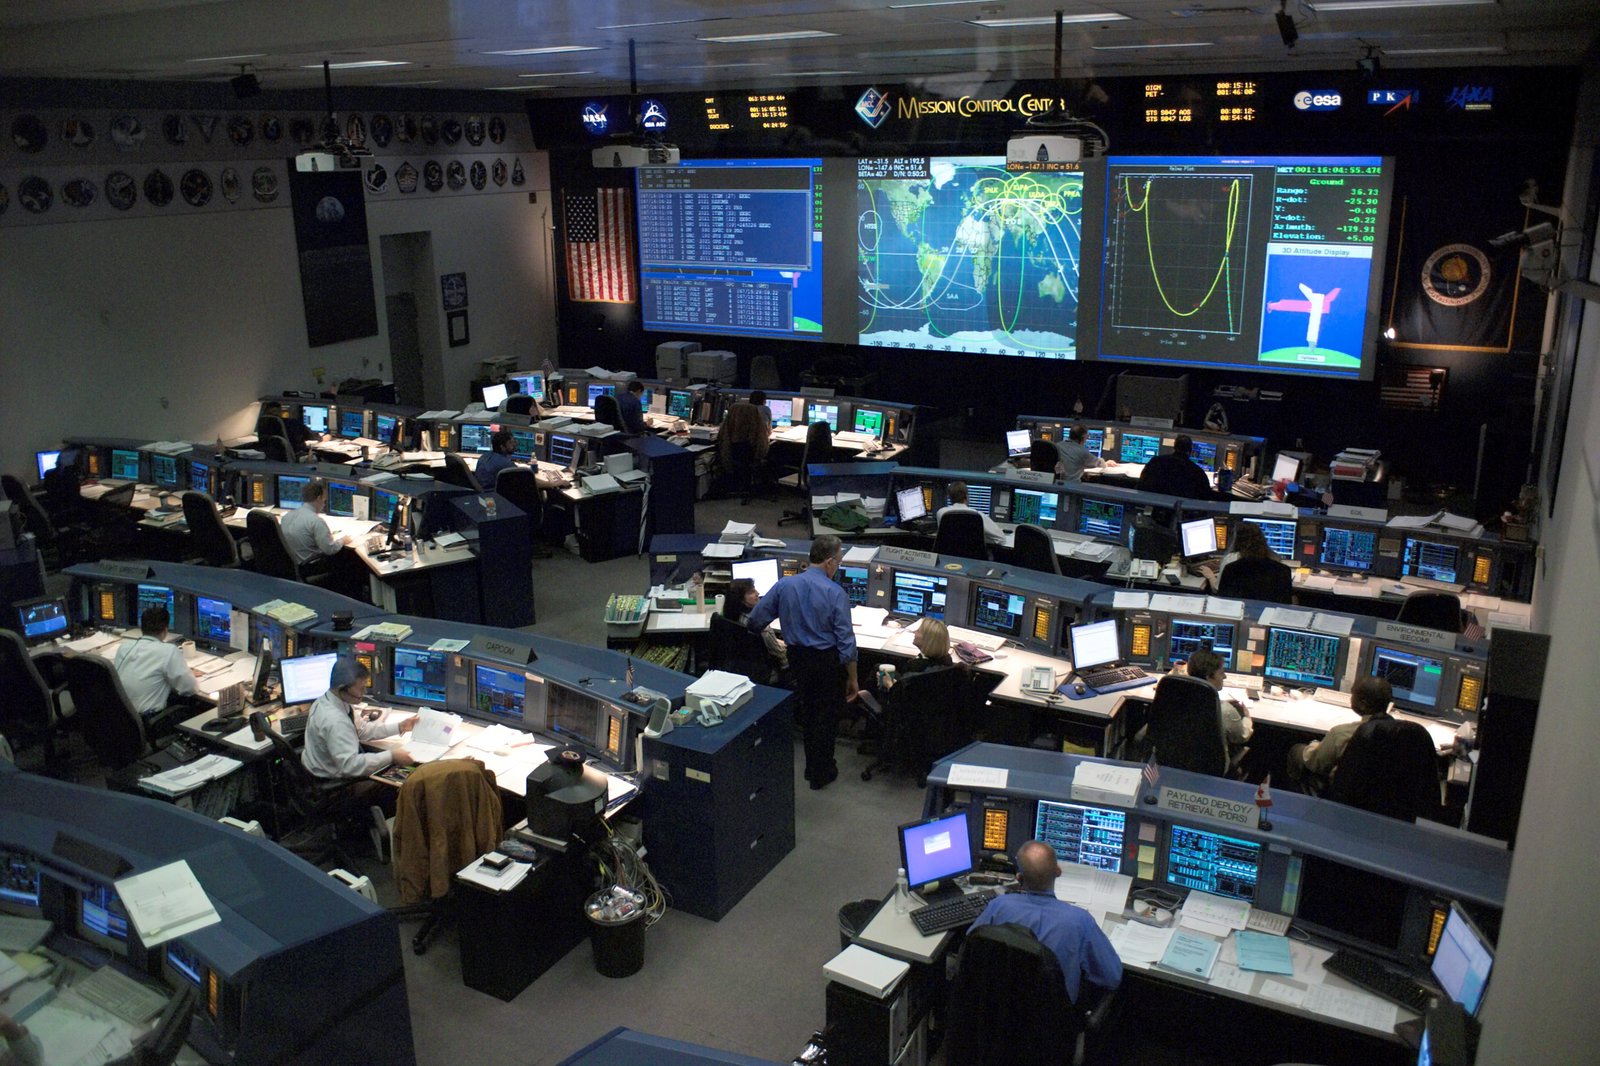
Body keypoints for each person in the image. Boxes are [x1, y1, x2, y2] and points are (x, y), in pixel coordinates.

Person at [746, 535, 859, 789]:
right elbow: (846, 644)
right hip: (827, 663)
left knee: (809, 712)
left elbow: (754, 622)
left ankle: (811, 768)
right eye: (838, 561)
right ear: (829, 562)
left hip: (797, 660)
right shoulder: (836, 593)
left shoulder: (784, 585)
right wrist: (852, 678)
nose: (838, 566)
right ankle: (822, 771)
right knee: (826, 717)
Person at [969, 840, 1123, 1005]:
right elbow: (1111, 977)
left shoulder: (998, 906)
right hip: (1051, 1023)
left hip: (1000, 1011)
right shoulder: (1080, 920)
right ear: (1058, 871)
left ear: (1019, 878)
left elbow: (971, 948)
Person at [301, 657, 415, 781]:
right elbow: (350, 766)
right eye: (361, 688)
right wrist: (391, 756)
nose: (365, 692)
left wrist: (400, 727)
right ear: (342, 688)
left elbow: (361, 730)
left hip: (318, 765)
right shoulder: (336, 721)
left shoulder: (327, 700)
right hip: (329, 776)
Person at [1286, 676, 1394, 792]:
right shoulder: (1401, 731)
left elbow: (1316, 763)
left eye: (1352, 694)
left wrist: (1314, 744)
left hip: (1346, 792)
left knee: (1297, 750)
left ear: (1362, 703)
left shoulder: (1341, 733)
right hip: (1380, 796)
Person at [279, 478, 367, 601]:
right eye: (324, 499)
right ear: (319, 498)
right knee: (351, 557)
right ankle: (355, 597)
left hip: (294, 563)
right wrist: (343, 540)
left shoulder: (287, 516)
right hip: (310, 566)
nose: (325, 502)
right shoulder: (316, 521)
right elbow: (330, 549)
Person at [112, 605, 202, 717]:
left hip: (120, 717)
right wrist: (187, 674)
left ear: (142, 628)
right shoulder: (168, 651)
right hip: (148, 720)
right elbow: (189, 689)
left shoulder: (124, 647)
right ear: (165, 630)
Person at [1180, 648, 1252, 755]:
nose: (1225, 676)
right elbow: (1241, 737)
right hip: (1210, 765)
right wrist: (1247, 717)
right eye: (1221, 673)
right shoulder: (1224, 710)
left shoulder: (1178, 700)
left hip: (1176, 759)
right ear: (1209, 677)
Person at [1206, 522, 1294, 602]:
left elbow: (1217, 589)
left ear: (1236, 539)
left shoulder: (1230, 561)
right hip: (1269, 611)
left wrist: (1210, 576)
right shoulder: (1277, 563)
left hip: (1238, 608)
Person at [722, 577, 787, 669]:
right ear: (741, 599)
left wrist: (779, 642)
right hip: (771, 670)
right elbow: (781, 655)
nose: (757, 593)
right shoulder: (760, 625)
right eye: (751, 592)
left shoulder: (732, 618)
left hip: (747, 667)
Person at [1136, 434, 1213, 500]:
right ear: (1190, 450)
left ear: (1174, 447)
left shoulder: (1156, 461)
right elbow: (1206, 496)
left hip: (1156, 508)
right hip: (1183, 512)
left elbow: (1141, 484)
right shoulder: (1197, 472)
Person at [936, 482, 1005, 546]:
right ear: (966, 496)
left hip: (948, 554)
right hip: (973, 556)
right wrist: (980, 539)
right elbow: (1001, 539)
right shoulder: (977, 516)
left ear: (949, 497)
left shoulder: (941, 513)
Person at [893, 618, 954, 682]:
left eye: (918, 631)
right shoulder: (948, 660)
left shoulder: (914, 667)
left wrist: (889, 685)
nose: (914, 632)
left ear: (928, 640)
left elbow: (901, 690)